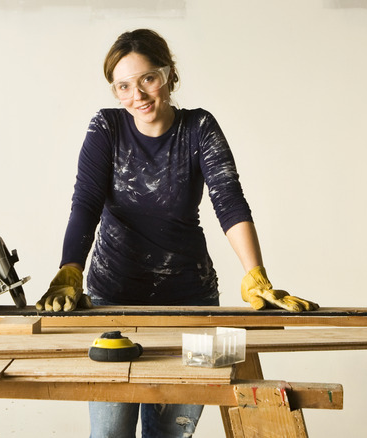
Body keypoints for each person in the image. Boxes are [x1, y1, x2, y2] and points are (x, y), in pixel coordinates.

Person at [36, 28, 318, 438]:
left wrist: (256, 274)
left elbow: (230, 202)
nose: (139, 94)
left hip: (193, 304)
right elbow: (85, 205)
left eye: (148, 78)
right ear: (115, 92)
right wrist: (69, 272)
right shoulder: (107, 129)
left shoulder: (199, 127)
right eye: (124, 85)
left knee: (170, 435)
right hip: (113, 301)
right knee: (109, 434)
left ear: (169, 75)